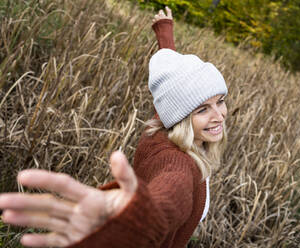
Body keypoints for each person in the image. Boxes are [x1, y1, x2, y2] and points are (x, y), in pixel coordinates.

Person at [0, 7, 228, 248]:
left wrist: (165, 33)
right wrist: (141, 218)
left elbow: (173, 85)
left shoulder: (166, 120)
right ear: (180, 116)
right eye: (202, 109)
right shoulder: (179, 163)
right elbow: (170, 196)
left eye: (220, 101)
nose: (219, 115)